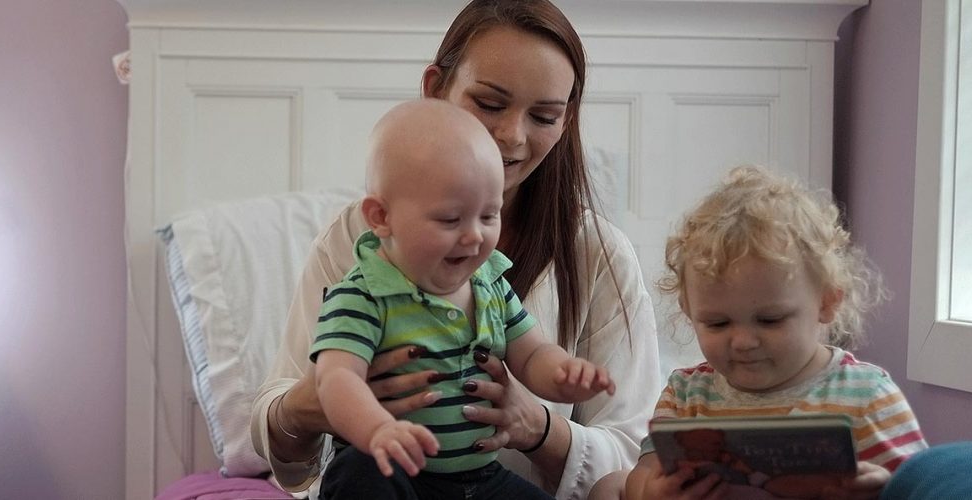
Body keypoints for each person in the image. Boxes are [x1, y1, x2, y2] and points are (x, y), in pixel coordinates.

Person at [249, 1, 662, 497]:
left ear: (566, 118)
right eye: (489, 104)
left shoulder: (595, 255)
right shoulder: (359, 245)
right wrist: (321, 403)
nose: (511, 136)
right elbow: (289, 452)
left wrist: (541, 426)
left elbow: (634, 464)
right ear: (434, 89)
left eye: (545, 115)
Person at [312, 99, 615, 499]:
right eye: (450, 219)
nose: (474, 236)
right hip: (396, 470)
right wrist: (377, 429)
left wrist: (564, 377)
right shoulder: (364, 295)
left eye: (488, 216)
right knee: (360, 474)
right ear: (381, 217)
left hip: (479, 478)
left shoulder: (489, 282)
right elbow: (336, 378)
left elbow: (531, 354)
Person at [602, 166, 929, 500]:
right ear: (689, 311)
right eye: (717, 323)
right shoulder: (686, 394)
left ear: (827, 303)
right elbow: (641, 475)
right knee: (607, 486)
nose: (743, 342)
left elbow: (925, 486)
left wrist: (882, 489)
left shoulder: (866, 395)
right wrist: (652, 492)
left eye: (770, 320)